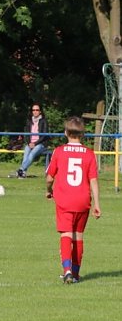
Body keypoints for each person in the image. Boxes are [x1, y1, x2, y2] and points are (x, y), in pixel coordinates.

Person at [46, 116, 101, 284]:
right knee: (78, 236)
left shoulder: (59, 151)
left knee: (66, 234)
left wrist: (48, 190)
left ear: (65, 133)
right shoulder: (90, 154)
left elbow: (49, 178)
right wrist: (97, 204)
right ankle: (76, 274)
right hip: (83, 200)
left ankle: (67, 270)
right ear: (82, 134)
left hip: (64, 199)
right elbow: (93, 181)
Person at [16, 103, 50, 178]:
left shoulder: (44, 121)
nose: (35, 111)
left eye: (37, 110)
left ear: (40, 111)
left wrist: (35, 143)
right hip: (30, 143)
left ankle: (20, 170)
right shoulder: (29, 121)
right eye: (33, 110)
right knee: (26, 152)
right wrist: (29, 143)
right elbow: (26, 134)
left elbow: (44, 135)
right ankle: (23, 173)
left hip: (41, 144)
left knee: (32, 153)